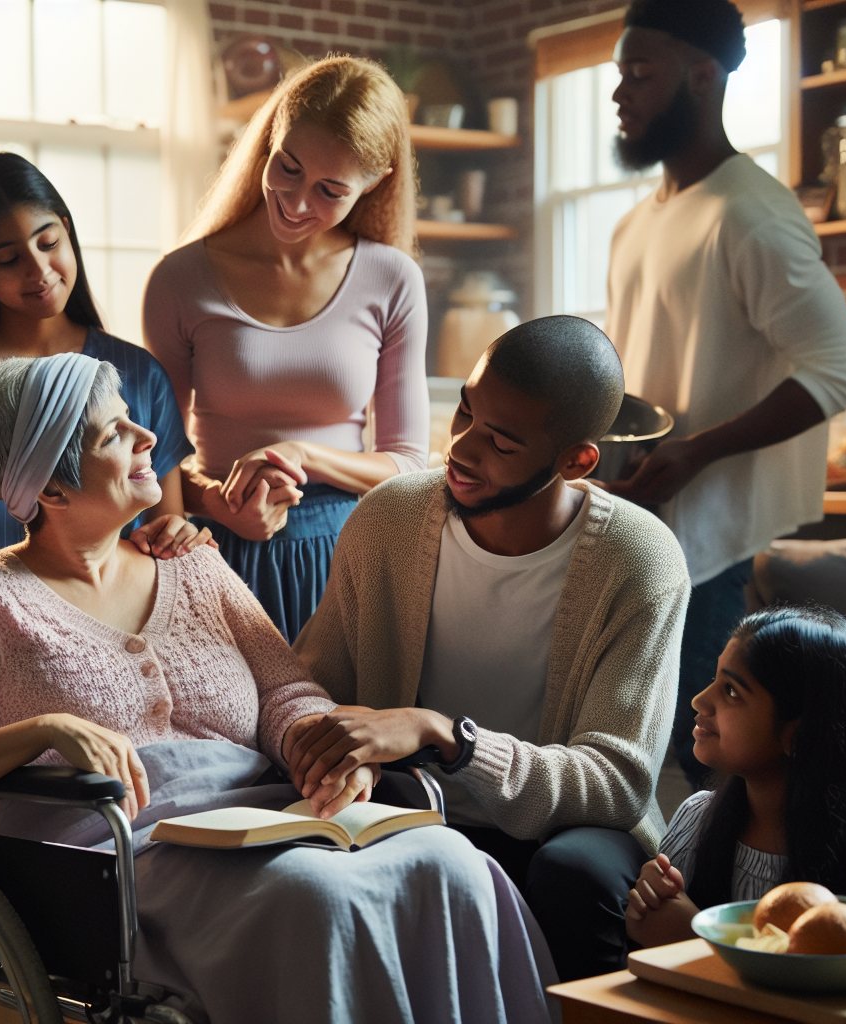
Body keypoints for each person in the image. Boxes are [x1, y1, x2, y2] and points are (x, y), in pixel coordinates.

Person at [0, 353, 556, 1024]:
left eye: (131, 418)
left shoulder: (194, 565)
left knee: (451, 862)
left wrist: (320, 749)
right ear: (51, 488)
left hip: (266, 819)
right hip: (123, 857)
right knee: (314, 897)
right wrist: (40, 733)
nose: (149, 438)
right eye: (115, 432)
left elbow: (286, 690)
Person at [288, 315, 692, 982]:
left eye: (501, 442)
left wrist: (451, 739)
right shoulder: (388, 518)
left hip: (562, 833)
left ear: (576, 460)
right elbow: (312, 684)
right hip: (411, 809)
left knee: (577, 869)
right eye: (465, 415)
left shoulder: (639, 561)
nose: (464, 451)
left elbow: (616, 786)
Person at [604, 0, 846, 787]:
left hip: (712, 550)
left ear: (702, 75)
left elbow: (837, 367)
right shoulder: (637, 223)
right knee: (637, 757)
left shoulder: (752, 213)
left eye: (639, 73)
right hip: (644, 531)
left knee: (705, 766)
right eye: (618, 74)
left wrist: (696, 452)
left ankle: (730, 912)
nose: (621, 93)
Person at [143, 56, 429, 642]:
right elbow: (155, 457)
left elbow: (407, 465)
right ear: (270, 139)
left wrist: (303, 455)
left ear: (374, 183)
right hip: (210, 550)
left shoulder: (392, 278)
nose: (296, 203)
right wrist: (219, 506)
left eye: (330, 190)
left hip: (349, 558)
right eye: (289, 168)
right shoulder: (180, 278)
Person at [0, 153, 201, 611]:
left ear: (67, 230)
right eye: (9, 259)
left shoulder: (140, 374)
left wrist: (175, 534)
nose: (39, 271)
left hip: (114, 626)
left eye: (48, 242)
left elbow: (168, 524)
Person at [626, 606, 846, 948]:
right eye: (715, 679)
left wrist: (694, 940)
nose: (699, 700)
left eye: (731, 691)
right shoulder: (697, 819)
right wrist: (651, 903)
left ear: (799, 733)